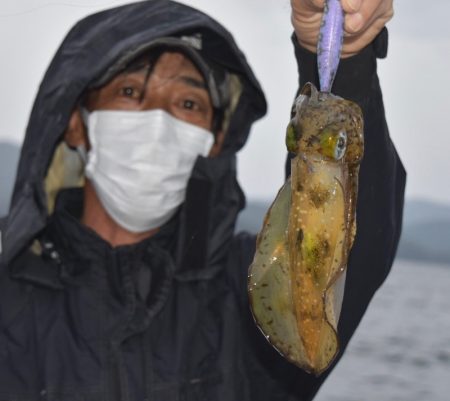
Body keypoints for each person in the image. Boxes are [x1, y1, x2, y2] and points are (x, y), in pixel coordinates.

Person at [0, 0, 404, 400]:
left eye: (188, 103)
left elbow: (356, 247)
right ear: (75, 122)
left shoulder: (243, 295)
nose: (158, 120)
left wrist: (347, 59)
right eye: (129, 91)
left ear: (216, 135)